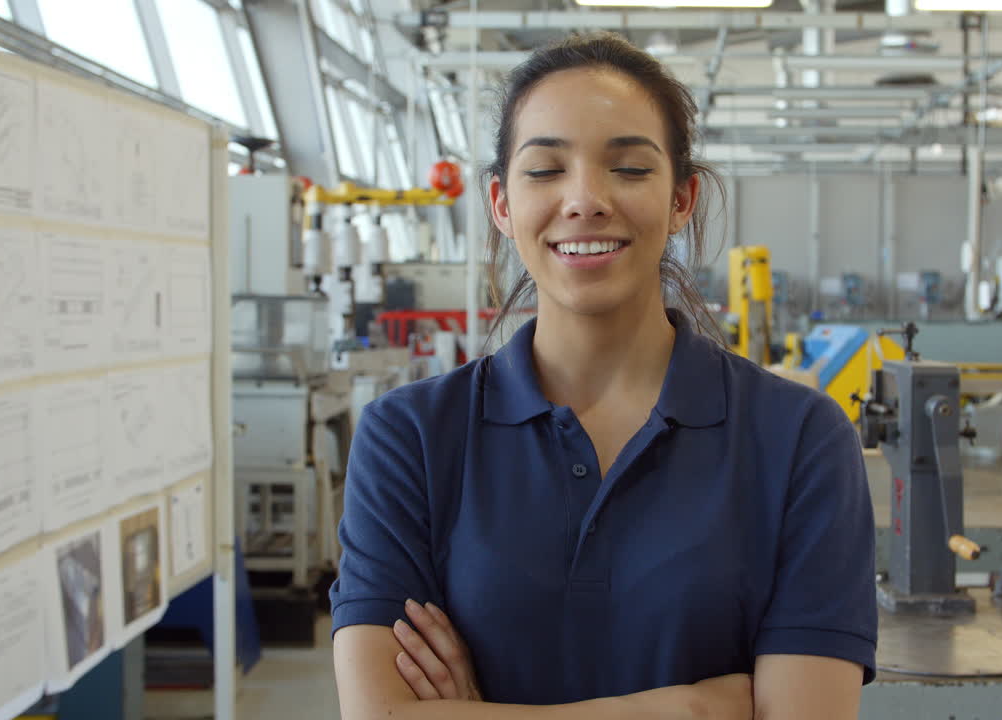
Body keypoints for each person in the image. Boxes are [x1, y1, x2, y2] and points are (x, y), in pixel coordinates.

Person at [331, 33, 877, 720]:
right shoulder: (408, 437)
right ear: (501, 204)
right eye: (545, 170)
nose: (585, 199)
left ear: (683, 199)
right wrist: (696, 708)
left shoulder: (798, 439)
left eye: (628, 168)